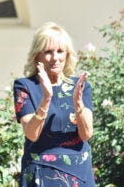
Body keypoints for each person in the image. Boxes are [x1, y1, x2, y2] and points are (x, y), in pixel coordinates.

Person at [13, 22, 95, 186]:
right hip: (41, 172)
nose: (55, 58)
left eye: (60, 51)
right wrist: (46, 98)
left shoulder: (80, 86)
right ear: (38, 55)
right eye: (48, 52)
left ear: (67, 54)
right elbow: (31, 134)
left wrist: (78, 106)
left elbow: (86, 134)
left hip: (78, 173)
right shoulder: (24, 86)